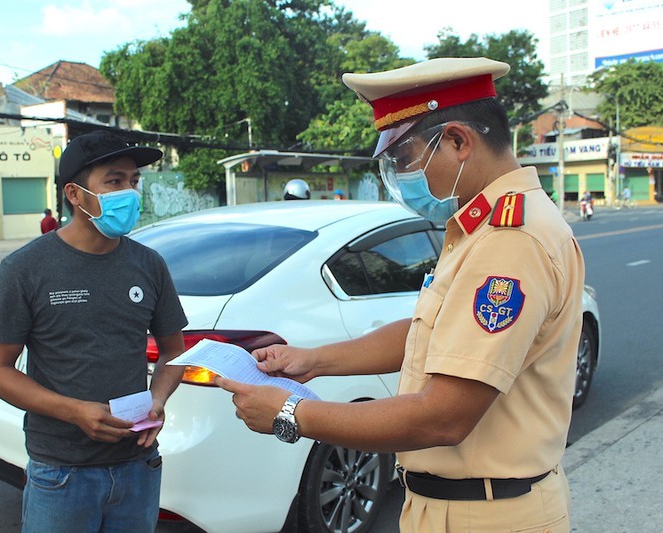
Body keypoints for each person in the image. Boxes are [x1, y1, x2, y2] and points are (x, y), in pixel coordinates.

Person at [216, 57, 585, 532]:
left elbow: (443, 418)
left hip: (488, 515)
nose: (399, 178)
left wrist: (291, 413)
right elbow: (427, 333)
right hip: (454, 507)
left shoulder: (510, 239)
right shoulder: (479, 226)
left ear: (458, 141)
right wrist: (313, 360)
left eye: (405, 159)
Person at [0, 131, 188, 532]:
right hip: (61, 472)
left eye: (133, 182)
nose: (129, 192)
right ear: (75, 195)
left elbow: (173, 353)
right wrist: (75, 412)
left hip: (138, 467)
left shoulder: (149, 265)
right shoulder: (24, 269)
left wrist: (158, 399)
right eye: (114, 181)